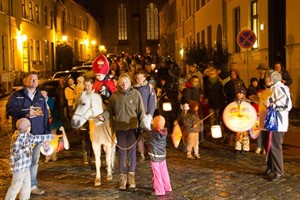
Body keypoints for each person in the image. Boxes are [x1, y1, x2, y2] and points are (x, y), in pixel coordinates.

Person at [6, 72, 51, 195]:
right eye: (30, 79)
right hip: (23, 136)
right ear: (25, 81)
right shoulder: (17, 95)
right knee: (22, 162)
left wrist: (46, 134)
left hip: (36, 135)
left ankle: (32, 186)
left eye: (35, 79)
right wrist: (24, 113)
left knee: (34, 161)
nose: (33, 81)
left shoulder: (40, 96)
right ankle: (19, 185)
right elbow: (9, 109)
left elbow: (45, 116)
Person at [101, 73, 145, 190]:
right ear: (119, 83)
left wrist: (142, 128)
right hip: (120, 129)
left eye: (126, 82)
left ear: (130, 83)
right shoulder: (114, 97)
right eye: (121, 82)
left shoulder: (136, 95)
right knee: (122, 154)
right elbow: (109, 111)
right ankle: (122, 177)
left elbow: (141, 112)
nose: (123, 84)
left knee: (131, 153)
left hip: (132, 128)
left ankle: (131, 177)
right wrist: (103, 117)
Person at [5, 118, 52, 200]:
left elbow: (35, 138)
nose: (31, 127)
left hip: (26, 168)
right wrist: (27, 146)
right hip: (19, 169)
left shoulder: (27, 136)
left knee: (26, 187)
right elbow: (17, 151)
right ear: (26, 128)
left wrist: (50, 137)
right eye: (29, 126)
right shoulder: (18, 139)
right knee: (15, 188)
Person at [263, 70, 292, 181]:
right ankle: (271, 168)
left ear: (271, 79)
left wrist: (272, 105)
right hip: (273, 122)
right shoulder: (274, 88)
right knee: (270, 145)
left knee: (275, 146)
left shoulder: (280, 88)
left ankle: (278, 171)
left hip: (278, 123)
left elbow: (286, 105)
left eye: (266, 77)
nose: (264, 79)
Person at [144, 115, 172, 196]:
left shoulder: (152, 133)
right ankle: (167, 187)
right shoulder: (164, 131)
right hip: (162, 155)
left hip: (154, 156)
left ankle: (159, 190)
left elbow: (146, 136)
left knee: (156, 173)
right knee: (164, 171)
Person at [134, 70, 157, 161]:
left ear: (144, 77)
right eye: (137, 78)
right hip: (136, 115)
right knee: (139, 135)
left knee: (148, 135)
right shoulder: (134, 88)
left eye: (141, 77)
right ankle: (141, 153)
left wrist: (150, 114)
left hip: (146, 115)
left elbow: (152, 102)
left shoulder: (149, 87)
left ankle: (151, 152)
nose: (139, 79)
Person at [234, 87, 250, 154]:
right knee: (238, 133)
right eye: (238, 93)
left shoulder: (247, 102)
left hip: (245, 120)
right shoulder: (235, 102)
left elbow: (249, 111)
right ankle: (238, 147)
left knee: (245, 134)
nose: (239, 94)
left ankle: (245, 147)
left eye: (241, 93)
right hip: (238, 120)